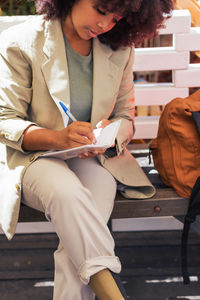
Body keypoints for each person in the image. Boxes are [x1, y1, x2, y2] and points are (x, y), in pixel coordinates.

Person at [0, 0, 174, 299]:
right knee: (67, 192)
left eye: (117, 18)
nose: (106, 25)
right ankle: (111, 295)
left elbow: (125, 117)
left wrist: (108, 133)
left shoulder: (118, 49)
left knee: (91, 203)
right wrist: (57, 138)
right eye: (101, 10)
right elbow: (5, 120)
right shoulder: (21, 42)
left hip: (91, 158)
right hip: (32, 155)